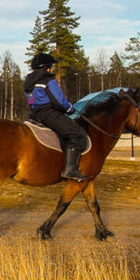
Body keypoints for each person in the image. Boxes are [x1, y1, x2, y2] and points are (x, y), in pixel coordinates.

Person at [23, 52, 87, 182]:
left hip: (35, 114)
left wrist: (36, 108)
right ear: (46, 68)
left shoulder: (28, 83)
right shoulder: (48, 80)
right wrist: (70, 109)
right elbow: (59, 101)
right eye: (51, 66)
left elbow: (31, 100)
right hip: (49, 113)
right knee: (77, 133)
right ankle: (70, 170)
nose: (51, 69)